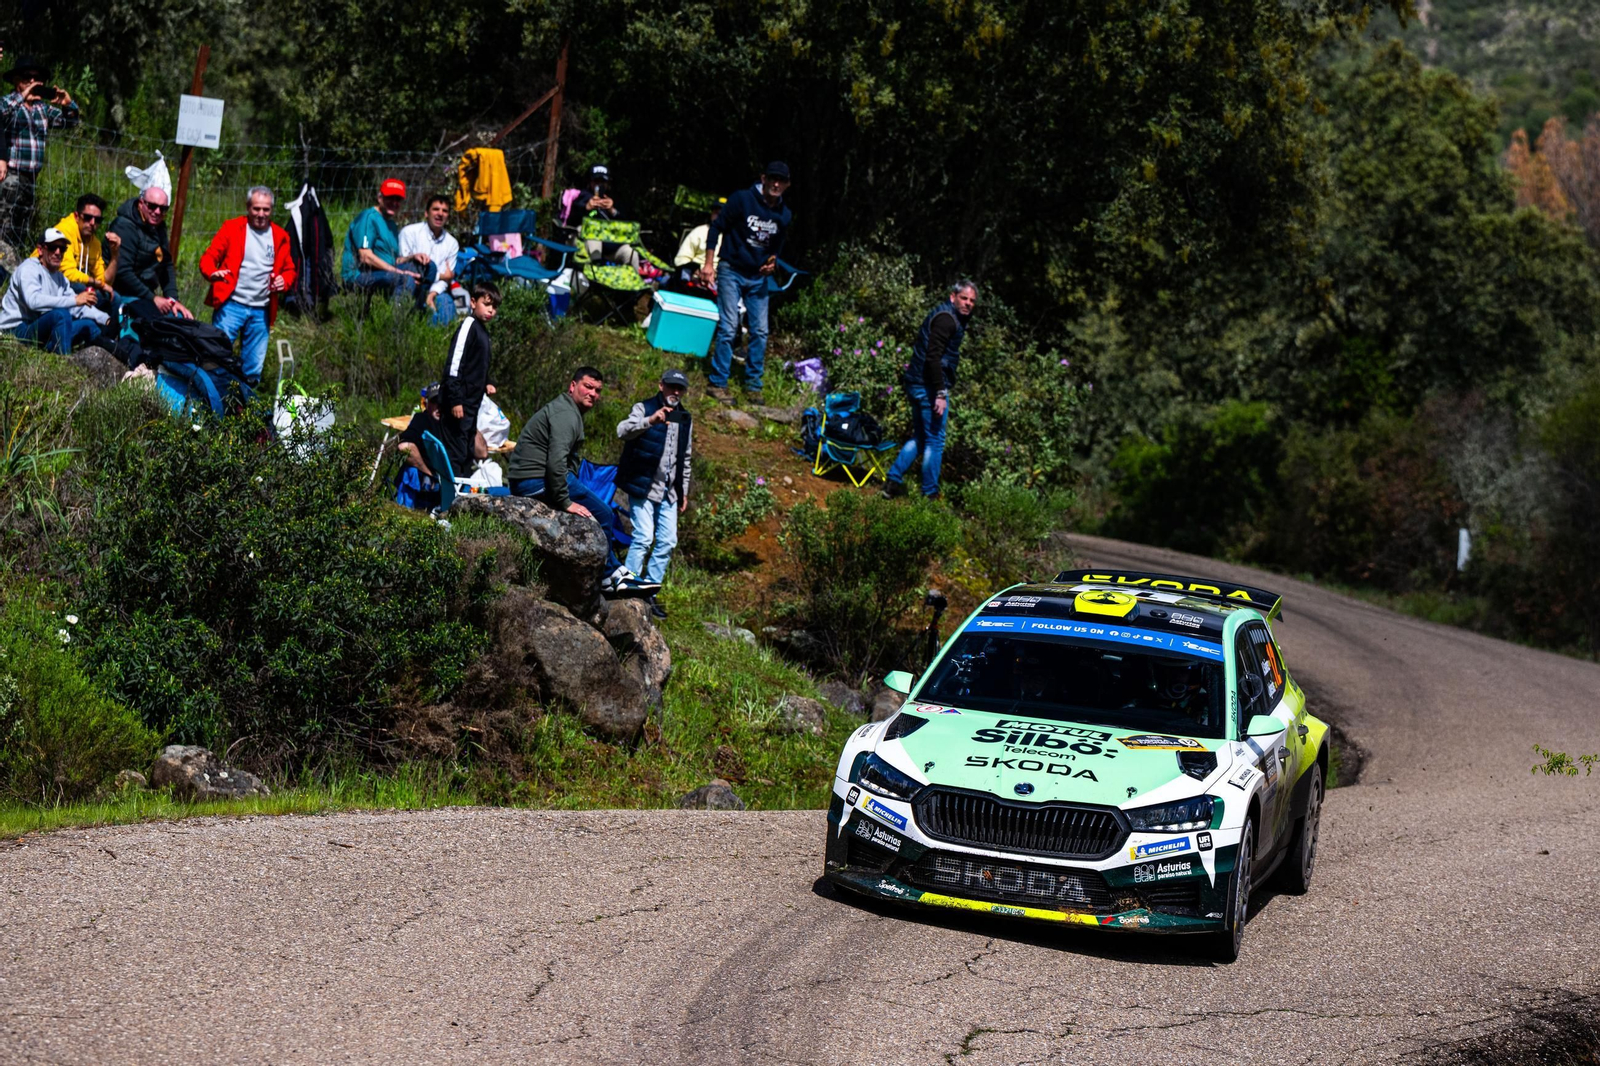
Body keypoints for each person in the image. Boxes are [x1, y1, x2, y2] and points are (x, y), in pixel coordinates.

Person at [508, 366, 659, 597]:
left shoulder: (567, 410)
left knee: (599, 511)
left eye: (597, 390)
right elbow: (555, 463)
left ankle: (616, 571)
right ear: (573, 386)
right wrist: (565, 501)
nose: (593, 394)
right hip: (535, 481)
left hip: (532, 479)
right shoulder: (565, 414)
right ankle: (610, 577)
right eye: (588, 387)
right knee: (605, 514)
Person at [699, 162, 793, 405]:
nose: (775, 184)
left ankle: (753, 384)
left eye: (781, 181)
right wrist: (709, 265)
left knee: (760, 331)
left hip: (758, 277)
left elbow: (776, 247)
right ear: (763, 178)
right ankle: (717, 382)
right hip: (731, 269)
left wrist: (772, 263)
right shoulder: (742, 199)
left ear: (787, 185)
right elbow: (715, 229)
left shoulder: (784, 214)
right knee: (730, 327)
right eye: (772, 179)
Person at [884, 280, 977, 499]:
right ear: (953, 296)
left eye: (972, 301)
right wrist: (941, 393)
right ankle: (930, 494)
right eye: (964, 298)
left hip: (917, 384)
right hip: (928, 388)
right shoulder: (946, 319)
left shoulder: (948, 316)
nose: (968, 304)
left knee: (921, 438)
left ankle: (892, 482)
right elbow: (933, 358)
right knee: (935, 440)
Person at [616, 369, 694, 619]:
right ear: (661, 386)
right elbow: (622, 431)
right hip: (643, 485)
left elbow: (686, 456)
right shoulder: (644, 407)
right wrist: (651, 420)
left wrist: (684, 490)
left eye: (680, 389)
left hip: (670, 491)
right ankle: (626, 588)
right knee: (643, 538)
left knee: (668, 541)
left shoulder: (685, 417)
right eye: (671, 387)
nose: (676, 392)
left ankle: (649, 590)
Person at [199, 186, 297, 384]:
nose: (261, 214)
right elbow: (209, 257)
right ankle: (210, 400)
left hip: (261, 310)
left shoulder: (280, 236)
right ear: (248, 207)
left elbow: (290, 270)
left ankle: (243, 408)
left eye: (266, 209)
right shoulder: (232, 228)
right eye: (256, 209)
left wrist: (283, 281)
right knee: (215, 358)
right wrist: (212, 273)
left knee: (252, 368)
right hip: (231, 304)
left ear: (271, 210)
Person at [0, 57, 81, 254]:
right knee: (4, 229)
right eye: (28, 78)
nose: (34, 82)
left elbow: (69, 122)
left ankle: (12, 274)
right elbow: (1, 113)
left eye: (38, 79)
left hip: (32, 178)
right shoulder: (10, 103)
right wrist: (23, 96)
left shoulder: (42, 110)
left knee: (21, 228)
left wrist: (68, 105)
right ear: (17, 81)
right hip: (11, 175)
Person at [0, 227, 109, 352]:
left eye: (62, 249)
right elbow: (33, 301)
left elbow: (78, 307)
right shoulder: (28, 269)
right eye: (52, 247)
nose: (58, 252)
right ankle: (64, 364)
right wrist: (74, 300)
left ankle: (121, 355)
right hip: (15, 329)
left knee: (88, 325)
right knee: (61, 315)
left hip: (38, 327)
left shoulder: (60, 278)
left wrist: (105, 319)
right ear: (40, 250)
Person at [438, 283, 500, 477]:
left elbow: (477, 364)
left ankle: (463, 499)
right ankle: (449, 501)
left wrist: (487, 381)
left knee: (466, 452)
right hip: (459, 404)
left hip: (472, 406)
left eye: (495, 307)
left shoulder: (482, 330)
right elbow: (455, 366)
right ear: (473, 302)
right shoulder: (468, 326)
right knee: (455, 453)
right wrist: (455, 400)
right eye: (486, 304)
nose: (491, 310)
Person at [340, 178, 431, 308]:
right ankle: (395, 321)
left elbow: (393, 260)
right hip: (360, 274)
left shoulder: (391, 225)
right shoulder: (368, 218)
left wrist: (412, 257)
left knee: (427, 267)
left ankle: (418, 310)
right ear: (380, 198)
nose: (394, 203)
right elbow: (365, 256)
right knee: (405, 279)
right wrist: (399, 272)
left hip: (382, 271)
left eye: (398, 199)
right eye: (390, 198)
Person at [109, 186, 194, 318]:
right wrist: (152, 298)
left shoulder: (159, 228)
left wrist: (173, 300)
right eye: (152, 206)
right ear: (141, 203)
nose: (157, 212)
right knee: (152, 320)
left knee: (179, 317)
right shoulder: (124, 226)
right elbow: (123, 272)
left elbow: (166, 265)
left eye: (163, 209)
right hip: (122, 292)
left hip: (145, 294)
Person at [30, 194, 119, 308]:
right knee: (88, 293)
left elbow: (104, 281)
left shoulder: (95, 243)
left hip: (68, 283)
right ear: (77, 216)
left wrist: (115, 255)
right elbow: (67, 273)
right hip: (44, 280)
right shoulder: (65, 232)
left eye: (97, 220)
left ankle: (107, 324)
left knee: (113, 297)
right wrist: (97, 284)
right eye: (87, 218)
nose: (92, 223)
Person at [397, 195, 460, 326]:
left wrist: (432, 294)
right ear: (426, 213)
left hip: (437, 290)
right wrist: (441, 275)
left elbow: (447, 280)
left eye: (445, 211)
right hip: (412, 286)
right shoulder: (409, 233)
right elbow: (404, 267)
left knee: (447, 311)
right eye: (436, 209)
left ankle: (440, 342)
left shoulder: (452, 243)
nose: (440, 214)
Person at [568, 163, 643, 270]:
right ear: (590, 182)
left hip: (611, 246)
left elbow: (627, 225)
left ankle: (631, 285)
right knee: (593, 235)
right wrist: (586, 208)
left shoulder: (614, 199)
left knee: (631, 254)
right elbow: (571, 220)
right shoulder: (583, 197)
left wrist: (613, 211)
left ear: (607, 183)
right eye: (596, 181)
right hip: (587, 244)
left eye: (602, 182)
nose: (599, 185)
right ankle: (595, 279)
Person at [673, 200, 723, 291]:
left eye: (722, 213)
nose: (718, 216)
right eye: (716, 213)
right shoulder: (699, 231)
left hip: (719, 280)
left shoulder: (732, 238)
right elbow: (681, 259)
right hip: (694, 276)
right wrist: (696, 271)